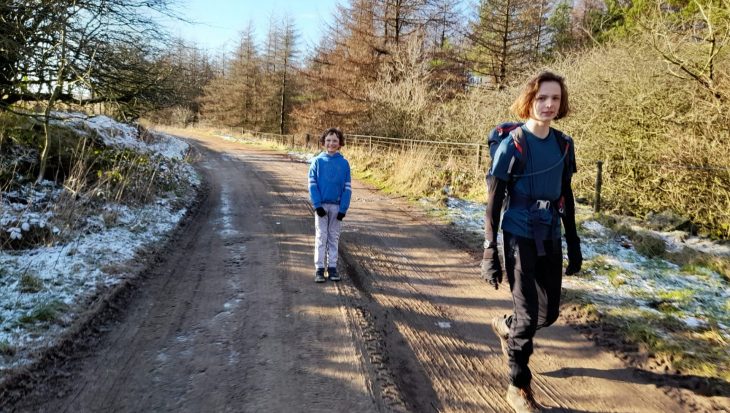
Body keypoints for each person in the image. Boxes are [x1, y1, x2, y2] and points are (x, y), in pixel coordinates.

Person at [481, 71, 582, 413]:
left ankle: (506, 326)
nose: (549, 104)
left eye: (554, 98)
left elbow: (565, 193)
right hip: (519, 233)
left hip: (550, 231)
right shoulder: (514, 145)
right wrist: (489, 251)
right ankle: (517, 386)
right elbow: (493, 202)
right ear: (529, 101)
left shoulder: (563, 145)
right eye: (542, 98)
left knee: (549, 313)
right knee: (528, 315)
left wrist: (574, 241)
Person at [308, 127, 352, 283]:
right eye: (328, 140)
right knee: (321, 237)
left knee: (334, 237)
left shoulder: (344, 164)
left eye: (334, 141)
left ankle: (332, 267)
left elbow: (347, 187)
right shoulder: (317, 161)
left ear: (340, 143)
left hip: (337, 207)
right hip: (322, 207)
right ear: (323, 142)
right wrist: (317, 205)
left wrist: (343, 208)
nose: (331, 143)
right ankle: (319, 269)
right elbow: (312, 185)